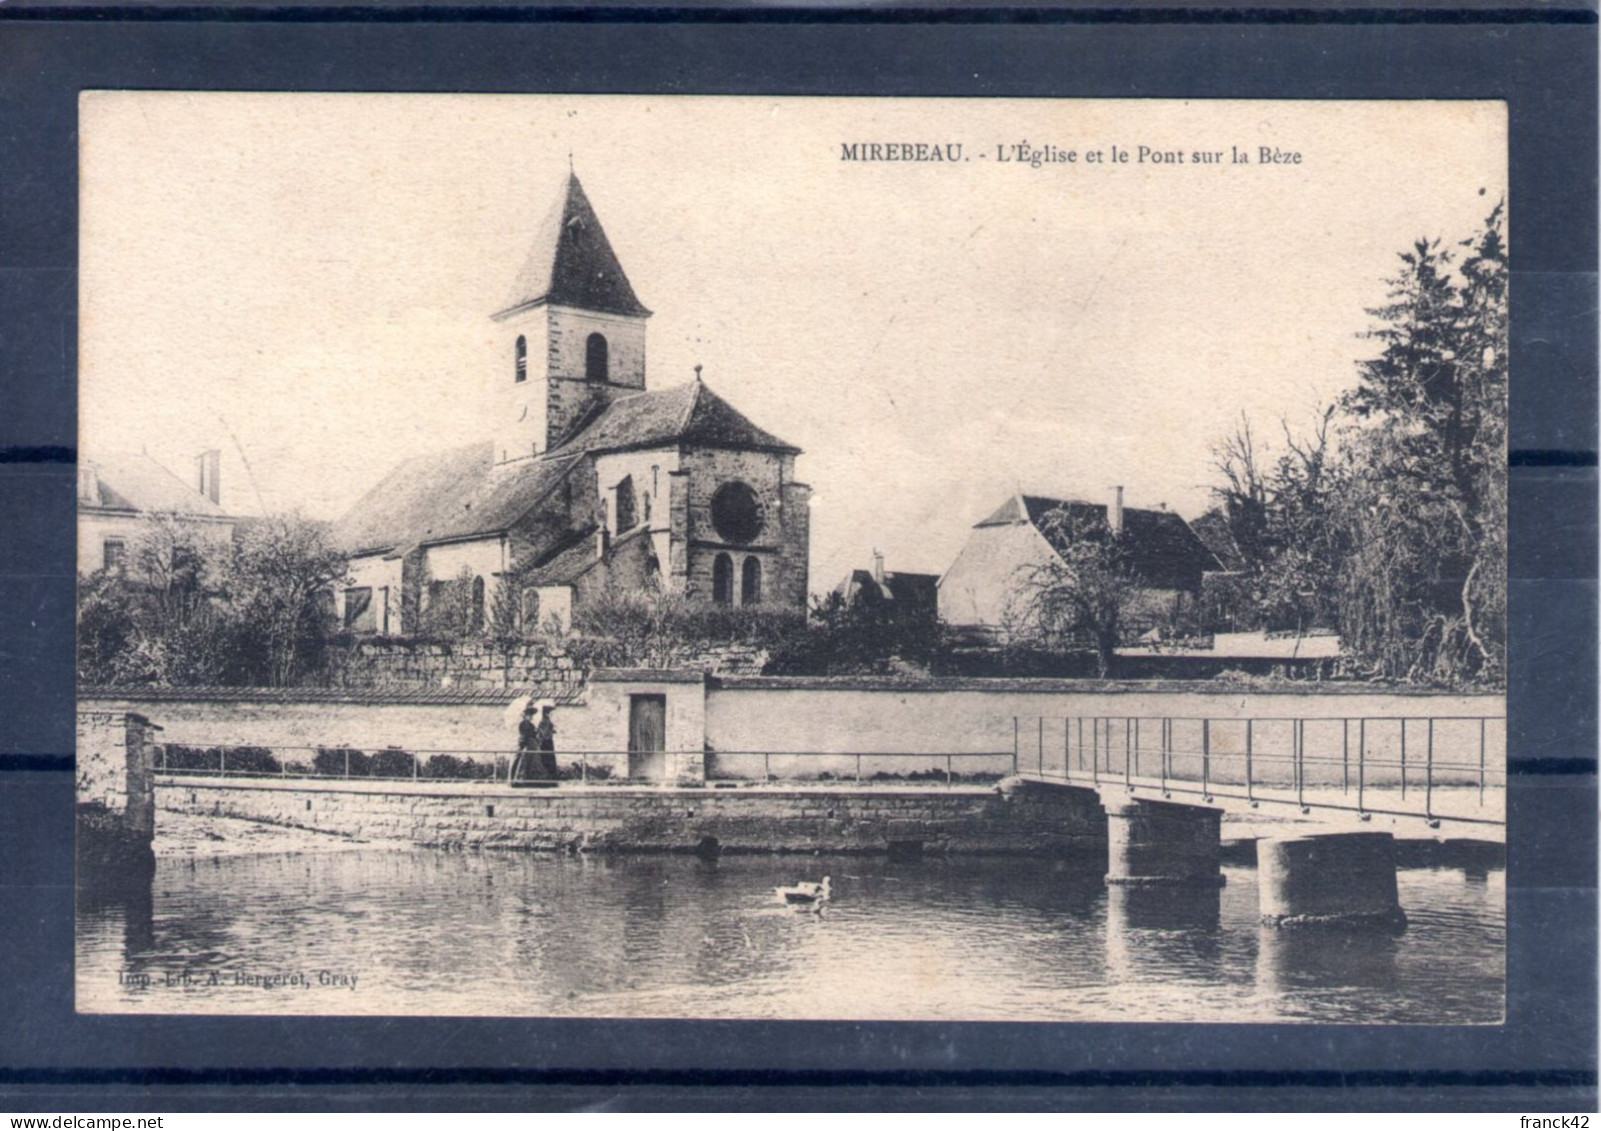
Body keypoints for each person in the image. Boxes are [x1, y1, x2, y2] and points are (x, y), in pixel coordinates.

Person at [534, 702, 558, 779]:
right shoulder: (546, 722)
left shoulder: (542, 721)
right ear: (547, 713)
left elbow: (540, 731)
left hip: (543, 743)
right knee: (548, 758)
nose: (551, 714)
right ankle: (549, 776)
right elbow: (545, 734)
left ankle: (547, 776)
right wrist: (551, 731)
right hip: (546, 743)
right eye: (550, 713)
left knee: (545, 758)